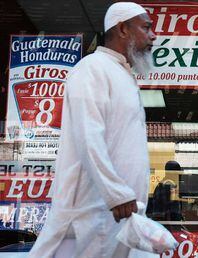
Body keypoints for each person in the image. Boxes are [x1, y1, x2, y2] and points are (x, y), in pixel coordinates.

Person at [28, 2, 156, 258]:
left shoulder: (123, 75)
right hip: (90, 213)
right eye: (146, 27)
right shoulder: (92, 69)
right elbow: (88, 137)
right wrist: (116, 193)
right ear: (122, 29)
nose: (153, 35)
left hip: (116, 214)